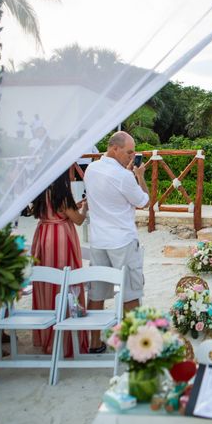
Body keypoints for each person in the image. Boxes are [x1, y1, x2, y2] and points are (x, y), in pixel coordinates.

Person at [84, 131, 149, 352]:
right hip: (122, 240)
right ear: (114, 148)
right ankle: (136, 345)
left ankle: (94, 343)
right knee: (130, 293)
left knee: (96, 292)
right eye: (129, 152)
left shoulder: (91, 169)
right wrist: (139, 176)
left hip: (98, 239)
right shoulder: (124, 176)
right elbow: (144, 202)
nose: (132, 157)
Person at [31, 171, 89, 357]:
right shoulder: (61, 194)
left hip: (43, 236)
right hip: (61, 238)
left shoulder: (40, 191)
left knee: (46, 284)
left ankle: (46, 335)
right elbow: (78, 220)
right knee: (65, 283)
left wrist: (73, 207)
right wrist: (85, 208)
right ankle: (66, 339)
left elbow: (51, 211)